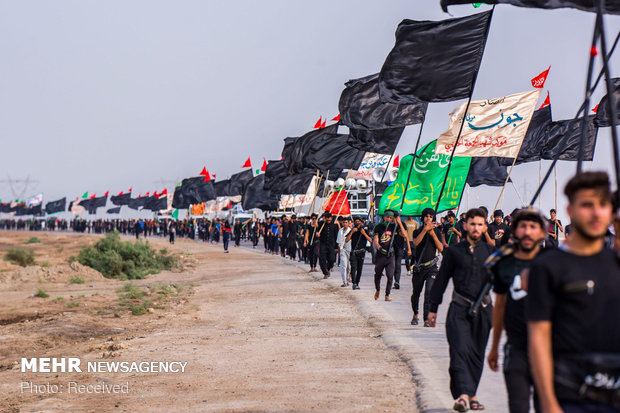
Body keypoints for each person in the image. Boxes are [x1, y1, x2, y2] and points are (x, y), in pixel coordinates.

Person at [527, 171, 620, 413]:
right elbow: (538, 337)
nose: (596, 212)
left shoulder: (616, 263)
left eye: (603, 204)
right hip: (569, 395)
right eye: (587, 205)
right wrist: (548, 402)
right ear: (570, 210)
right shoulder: (548, 267)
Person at [428, 208, 496, 412]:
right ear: (465, 225)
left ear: (485, 227)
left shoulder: (491, 253)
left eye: (480, 224)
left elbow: (503, 281)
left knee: (476, 354)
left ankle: (472, 394)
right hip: (459, 309)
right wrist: (433, 308)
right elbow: (441, 281)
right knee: (459, 352)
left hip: (484, 311)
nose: (476, 228)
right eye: (472, 224)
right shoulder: (454, 252)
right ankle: (463, 396)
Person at [486, 207, 548, 413]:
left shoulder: (554, 262)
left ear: (543, 232)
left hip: (550, 351)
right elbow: (500, 307)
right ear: (514, 231)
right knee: (518, 406)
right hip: (517, 350)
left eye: (533, 227)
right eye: (523, 226)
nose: (528, 231)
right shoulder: (503, 264)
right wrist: (494, 346)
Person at [411, 208, 444, 326]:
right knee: (416, 293)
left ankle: (426, 319)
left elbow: (441, 248)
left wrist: (433, 234)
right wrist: (425, 230)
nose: (428, 218)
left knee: (429, 291)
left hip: (432, 267)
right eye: (426, 216)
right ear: (423, 218)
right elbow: (415, 243)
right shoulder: (417, 231)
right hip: (419, 267)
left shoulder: (437, 232)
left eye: (430, 216)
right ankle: (415, 313)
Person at [373, 210, 411, 302]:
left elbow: (405, 235)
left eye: (391, 218)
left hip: (391, 255)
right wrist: (378, 247)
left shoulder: (394, 227)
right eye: (387, 217)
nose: (389, 219)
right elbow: (375, 240)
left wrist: (399, 222)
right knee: (378, 275)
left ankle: (387, 294)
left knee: (390, 275)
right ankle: (378, 289)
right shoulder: (378, 227)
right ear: (384, 217)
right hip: (381, 254)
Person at [347, 216, 373, 290]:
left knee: (359, 268)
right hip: (354, 252)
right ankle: (354, 283)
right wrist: (352, 232)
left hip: (361, 252)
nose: (358, 223)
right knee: (353, 267)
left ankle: (357, 283)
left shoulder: (365, 229)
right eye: (356, 221)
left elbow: (371, 240)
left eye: (359, 221)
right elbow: (346, 240)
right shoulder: (353, 229)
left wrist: (364, 233)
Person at [317, 212, 338, 279]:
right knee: (322, 259)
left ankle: (328, 269)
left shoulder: (334, 225)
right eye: (327, 219)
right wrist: (317, 234)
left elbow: (336, 236)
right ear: (325, 219)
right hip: (323, 244)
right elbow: (317, 232)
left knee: (332, 259)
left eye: (330, 220)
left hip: (331, 244)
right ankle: (325, 272)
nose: (328, 221)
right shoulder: (321, 224)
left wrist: (337, 246)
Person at [337, 216, 352, 287]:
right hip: (342, 249)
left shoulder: (351, 231)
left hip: (349, 250)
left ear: (348, 223)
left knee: (349, 267)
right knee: (343, 265)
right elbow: (338, 242)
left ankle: (347, 279)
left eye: (346, 222)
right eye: (344, 222)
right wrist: (339, 252)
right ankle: (344, 281)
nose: (345, 224)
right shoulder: (340, 231)